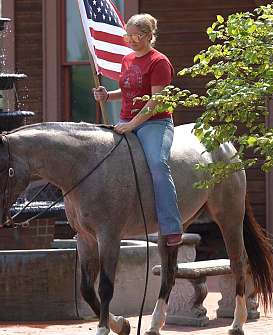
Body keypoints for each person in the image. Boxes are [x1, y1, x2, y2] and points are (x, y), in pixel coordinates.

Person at [92, 13, 182, 246]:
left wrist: (132, 125)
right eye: (127, 36)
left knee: (157, 164)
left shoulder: (159, 61)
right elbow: (130, 89)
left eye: (135, 36)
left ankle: (171, 226)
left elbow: (156, 101)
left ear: (149, 36)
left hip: (155, 123)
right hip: (125, 121)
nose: (130, 40)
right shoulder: (127, 60)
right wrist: (107, 95)